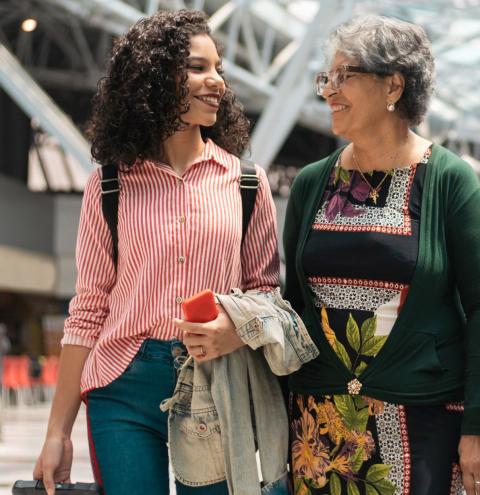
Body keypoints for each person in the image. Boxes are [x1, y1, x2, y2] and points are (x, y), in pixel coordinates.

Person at [31, 10, 279, 495]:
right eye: (197, 67)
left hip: (214, 383)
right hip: (122, 384)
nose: (216, 83)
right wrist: (57, 432)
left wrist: (234, 331)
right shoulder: (109, 185)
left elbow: (265, 293)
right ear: (153, 76)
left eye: (219, 69)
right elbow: (87, 311)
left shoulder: (247, 184)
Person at [281, 14, 480, 495]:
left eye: (346, 76)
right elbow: (296, 304)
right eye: (328, 77)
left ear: (393, 86)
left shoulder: (449, 181)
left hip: (421, 419)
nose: (328, 91)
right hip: (316, 429)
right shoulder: (310, 184)